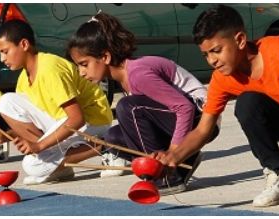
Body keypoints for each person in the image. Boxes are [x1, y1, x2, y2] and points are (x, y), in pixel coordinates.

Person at [152, 5, 279, 207]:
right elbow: (203, 129)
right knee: (247, 103)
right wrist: (173, 157)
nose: (212, 60)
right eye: (206, 54)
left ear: (240, 40)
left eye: (216, 50)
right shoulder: (222, 79)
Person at [66, 11, 220, 195]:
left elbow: (184, 107)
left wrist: (174, 152)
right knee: (114, 136)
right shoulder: (123, 76)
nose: (81, 72)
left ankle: (166, 175)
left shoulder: (138, 74)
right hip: (179, 120)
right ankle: (186, 161)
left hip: (201, 119)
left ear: (105, 57)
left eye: (84, 64)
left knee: (128, 107)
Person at [0, 19, 116, 185]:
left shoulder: (50, 68)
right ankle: (60, 167)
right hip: (65, 123)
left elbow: (76, 118)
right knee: (6, 102)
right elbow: (36, 126)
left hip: (93, 120)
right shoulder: (23, 79)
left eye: (5, 51)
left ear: (24, 44)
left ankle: (108, 146)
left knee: (32, 165)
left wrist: (39, 147)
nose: (2, 58)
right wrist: (5, 137)